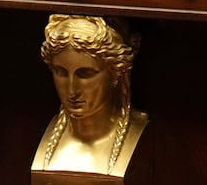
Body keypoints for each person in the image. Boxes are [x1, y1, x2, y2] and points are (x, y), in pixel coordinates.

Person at [35, 14, 148, 175]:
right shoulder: (48, 141)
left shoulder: (138, 132)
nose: (72, 90)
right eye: (61, 72)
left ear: (116, 73)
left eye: (85, 74)